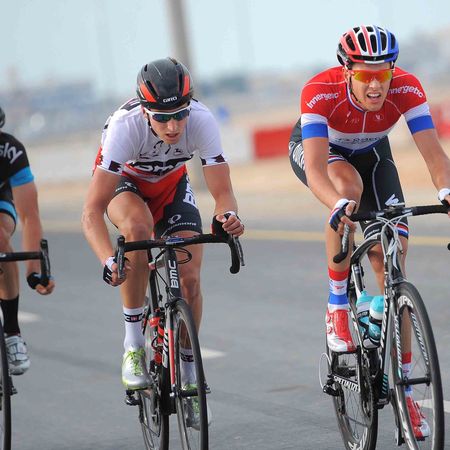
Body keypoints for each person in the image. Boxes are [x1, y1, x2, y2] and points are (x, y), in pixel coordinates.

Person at [289, 25, 450, 439]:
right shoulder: (320, 91)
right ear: (347, 71)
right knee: (348, 192)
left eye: (383, 74)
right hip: (324, 152)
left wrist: (447, 191)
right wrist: (336, 205)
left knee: (393, 252)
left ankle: (404, 391)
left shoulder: (407, 87)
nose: (376, 85)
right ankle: (337, 306)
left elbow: (435, 155)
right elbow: (315, 169)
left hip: (374, 153)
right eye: (365, 75)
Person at [82, 57, 244, 400]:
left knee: (190, 278)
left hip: (171, 186)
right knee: (137, 227)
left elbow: (223, 193)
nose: (173, 126)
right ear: (145, 112)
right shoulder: (124, 127)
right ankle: (133, 346)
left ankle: (188, 366)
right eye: (162, 117)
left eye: (180, 114)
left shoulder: (202, 120)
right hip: (125, 185)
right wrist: (107, 259)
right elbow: (91, 211)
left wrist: (227, 215)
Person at [0, 106, 55, 375]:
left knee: (0, 239)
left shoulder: (10, 151)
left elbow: (29, 216)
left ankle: (12, 333)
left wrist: (34, 271)